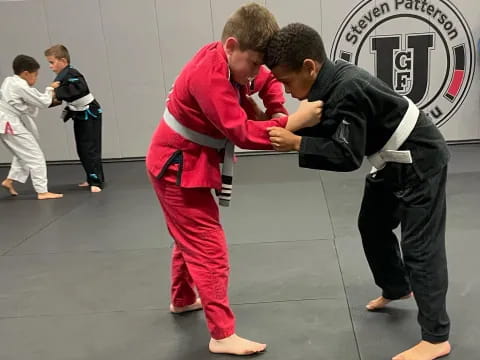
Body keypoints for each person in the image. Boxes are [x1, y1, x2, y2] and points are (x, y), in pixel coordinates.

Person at [265, 23, 450, 360]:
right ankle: (397, 286)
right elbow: (336, 126)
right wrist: (297, 125)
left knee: (420, 247)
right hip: (390, 159)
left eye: (287, 81)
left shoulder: (347, 87)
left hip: (420, 159)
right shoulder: (328, 81)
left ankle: (437, 337)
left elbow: (348, 154)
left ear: (310, 66)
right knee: (373, 225)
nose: (287, 90)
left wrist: (297, 143)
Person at [146, 4, 322, 356]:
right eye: (254, 63)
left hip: (187, 161)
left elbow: (268, 80)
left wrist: (275, 111)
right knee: (208, 246)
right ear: (230, 45)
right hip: (176, 167)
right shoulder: (209, 77)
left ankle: (182, 299)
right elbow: (239, 131)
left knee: (188, 238)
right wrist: (293, 124)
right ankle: (222, 334)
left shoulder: (238, 62)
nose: (257, 72)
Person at [0, 55, 63, 200]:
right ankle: (42, 191)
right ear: (26, 73)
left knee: (22, 153)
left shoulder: (9, 81)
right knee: (36, 156)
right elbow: (41, 102)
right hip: (9, 123)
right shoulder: (19, 85)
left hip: (7, 121)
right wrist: (50, 89)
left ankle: (9, 181)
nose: (35, 79)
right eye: (35, 75)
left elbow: (25, 104)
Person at [45, 44, 104, 192]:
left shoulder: (72, 73)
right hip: (79, 114)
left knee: (90, 148)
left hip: (90, 113)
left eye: (52, 62)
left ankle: (97, 181)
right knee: (82, 148)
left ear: (63, 60)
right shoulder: (62, 76)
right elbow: (61, 96)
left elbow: (78, 89)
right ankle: (90, 177)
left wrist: (55, 90)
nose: (50, 66)